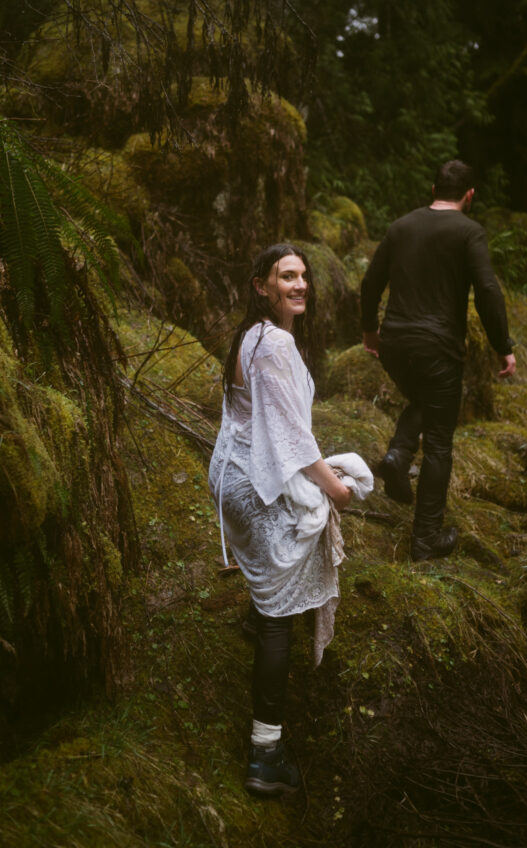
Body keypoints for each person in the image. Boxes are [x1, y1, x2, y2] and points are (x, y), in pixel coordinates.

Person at [208, 243, 354, 797]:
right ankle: (265, 756)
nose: (298, 285)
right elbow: (292, 440)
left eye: (302, 276)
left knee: (276, 578)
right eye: (284, 276)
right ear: (260, 286)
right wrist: (337, 487)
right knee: (280, 616)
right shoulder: (274, 344)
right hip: (248, 484)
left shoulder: (253, 336)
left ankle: (257, 607)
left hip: (232, 473)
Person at [360, 160, 516, 563]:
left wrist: (370, 331)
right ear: (469, 195)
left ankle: (397, 454)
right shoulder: (470, 232)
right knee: (441, 444)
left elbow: (370, 283)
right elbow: (487, 290)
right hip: (439, 348)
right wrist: (504, 345)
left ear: (433, 190)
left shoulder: (401, 226)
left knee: (426, 402)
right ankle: (426, 538)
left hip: (395, 343)